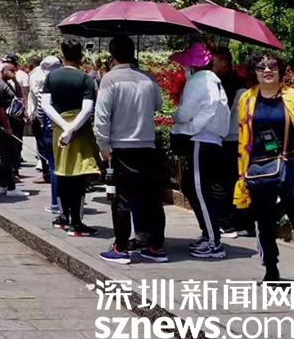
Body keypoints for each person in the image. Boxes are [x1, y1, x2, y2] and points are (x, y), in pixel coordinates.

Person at [93, 36, 168, 265]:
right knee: (152, 199)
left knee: (122, 200)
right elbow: (159, 105)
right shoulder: (148, 78)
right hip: (147, 144)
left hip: (121, 146)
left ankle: (121, 247)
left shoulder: (110, 79)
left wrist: (103, 145)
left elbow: (102, 116)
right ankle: (156, 246)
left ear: (112, 55)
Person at [233, 52, 294, 284]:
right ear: (254, 72)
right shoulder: (248, 99)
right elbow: (243, 137)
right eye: (261, 67)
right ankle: (271, 267)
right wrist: (242, 172)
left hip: (290, 164)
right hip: (259, 167)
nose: (267, 70)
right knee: (264, 221)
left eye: (272, 66)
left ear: (280, 70)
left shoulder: (292, 97)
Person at [170, 43, 231, 260]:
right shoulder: (212, 80)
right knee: (193, 186)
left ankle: (213, 241)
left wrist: (176, 118)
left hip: (200, 139)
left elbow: (185, 113)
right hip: (210, 140)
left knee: (199, 190)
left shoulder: (199, 80)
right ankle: (208, 234)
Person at [40, 39, 101, 237]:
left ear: (62, 55)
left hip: (58, 129)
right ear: (80, 55)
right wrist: (72, 128)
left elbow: (46, 105)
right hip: (80, 130)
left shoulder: (52, 77)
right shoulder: (85, 79)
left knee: (62, 172)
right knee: (79, 176)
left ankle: (64, 217)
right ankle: (76, 222)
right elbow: (88, 108)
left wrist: (64, 127)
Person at [211, 47, 251, 238]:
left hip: (229, 139)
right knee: (236, 180)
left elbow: (222, 112)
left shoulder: (228, 85)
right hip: (240, 139)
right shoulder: (239, 83)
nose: (212, 66)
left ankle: (228, 223)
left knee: (223, 182)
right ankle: (241, 222)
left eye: (215, 62)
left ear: (224, 62)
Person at [0, 58, 29, 198]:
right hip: (6, 124)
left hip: (14, 122)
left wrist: (15, 81)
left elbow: (19, 96)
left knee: (8, 154)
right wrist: (7, 126)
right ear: (3, 70)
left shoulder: (7, 83)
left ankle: (3, 184)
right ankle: (10, 186)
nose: (14, 73)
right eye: (11, 70)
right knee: (6, 155)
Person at [29, 56, 62, 212]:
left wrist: (42, 122)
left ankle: (56, 203)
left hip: (50, 128)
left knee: (54, 166)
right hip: (69, 128)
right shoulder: (69, 82)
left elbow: (41, 110)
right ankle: (72, 203)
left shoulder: (47, 85)